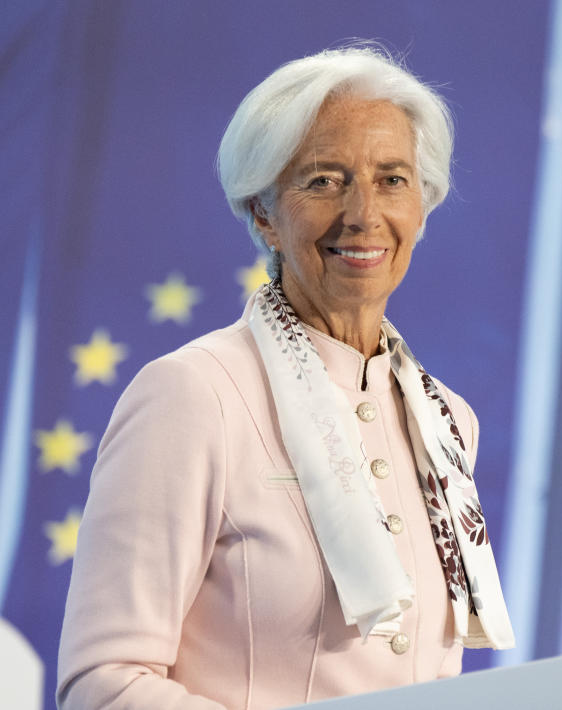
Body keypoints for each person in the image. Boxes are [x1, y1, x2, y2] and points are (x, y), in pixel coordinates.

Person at [57, 46, 514, 710]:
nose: (363, 214)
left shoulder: (447, 421)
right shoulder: (193, 394)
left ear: (423, 207)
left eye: (392, 179)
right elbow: (103, 683)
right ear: (264, 213)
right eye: (324, 179)